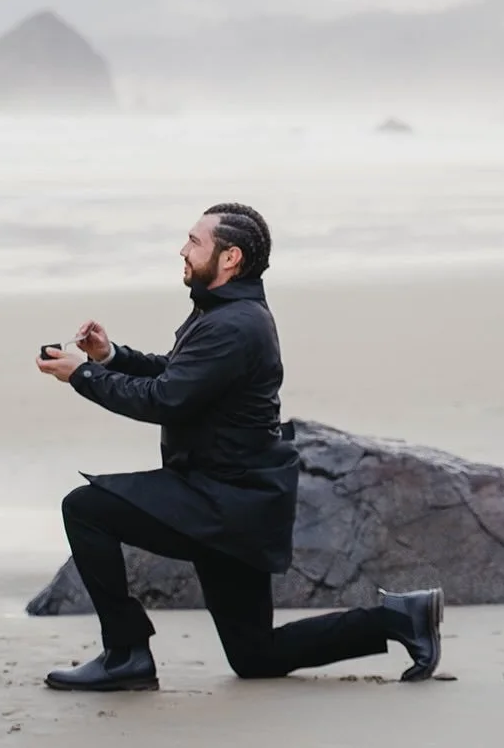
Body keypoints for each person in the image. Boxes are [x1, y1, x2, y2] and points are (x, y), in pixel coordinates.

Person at [36, 202, 443, 692]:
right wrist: (111, 357)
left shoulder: (235, 324)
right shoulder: (227, 314)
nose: (183, 251)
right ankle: (400, 618)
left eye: (194, 242)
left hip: (222, 501)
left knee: (86, 509)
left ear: (230, 258)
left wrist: (82, 374)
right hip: (236, 502)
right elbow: (179, 374)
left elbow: (166, 399)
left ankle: (126, 654)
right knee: (255, 656)